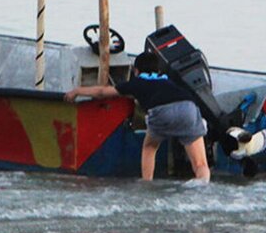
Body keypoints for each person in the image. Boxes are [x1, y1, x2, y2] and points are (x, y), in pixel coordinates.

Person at [65, 51, 211, 181]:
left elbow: (102, 92)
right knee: (200, 164)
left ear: (136, 71)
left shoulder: (136, 83)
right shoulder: (167, 80)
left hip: (161, 112)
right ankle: (203, 187)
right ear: (158, 70)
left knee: (150, 147)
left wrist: (77, 91)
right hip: (188, 108)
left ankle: (147, 182)